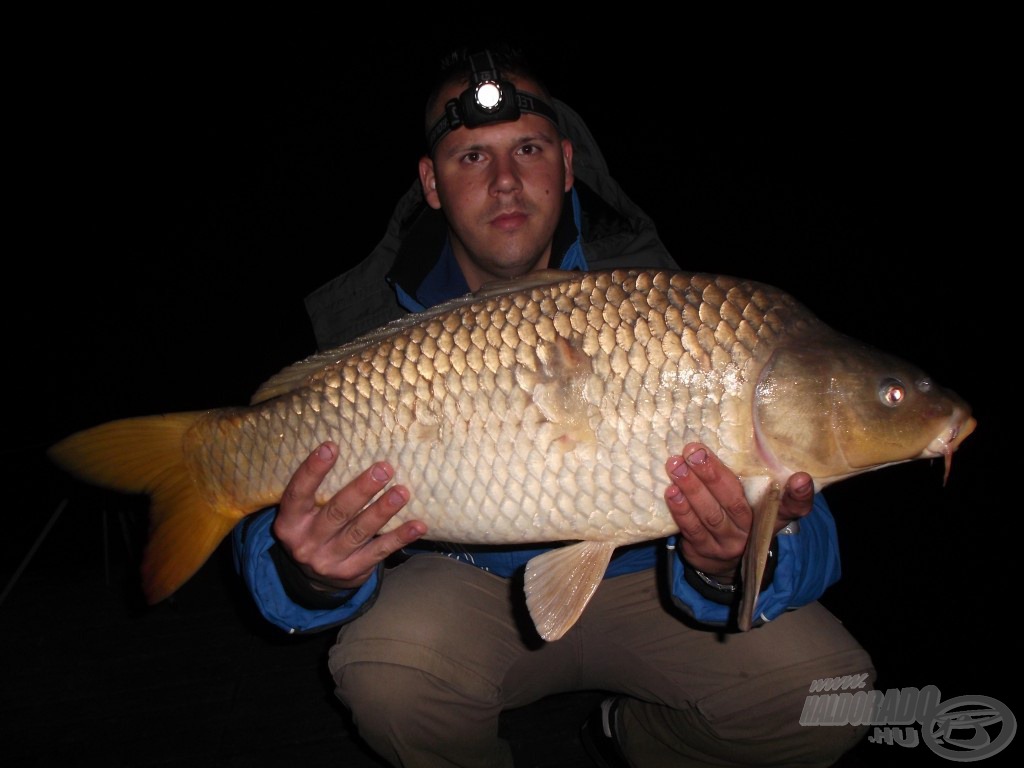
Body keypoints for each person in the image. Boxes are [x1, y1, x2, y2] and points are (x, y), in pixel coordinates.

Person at [232, 44, 874, 767]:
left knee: (836, 693)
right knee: (387, 677)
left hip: (652, 580)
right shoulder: (374, 324)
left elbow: (809, 528)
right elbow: (272, 536)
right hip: (466, 584)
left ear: (566, 166)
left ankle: (638, 740)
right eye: (472, 156)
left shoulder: (670, 304)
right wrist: (309, 575)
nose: (505, 182)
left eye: (527, 149)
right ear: (431, 183)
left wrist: (722, 567)